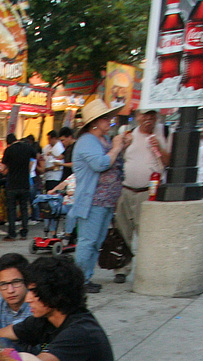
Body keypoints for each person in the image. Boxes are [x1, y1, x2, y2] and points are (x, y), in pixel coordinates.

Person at [72, 98, 128, 293]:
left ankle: (86, 277)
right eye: (106, 118)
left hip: (105, 201)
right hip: (93, 200)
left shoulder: (101, 140)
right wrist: (117, 147)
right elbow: (101, 164)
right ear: (94, 121)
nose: (109, 122)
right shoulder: (87, 141)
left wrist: (119, 147)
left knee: (96, 242)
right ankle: (79, 280)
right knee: (88, 241)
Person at [113, 108, 170, 284]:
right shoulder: (127, 133)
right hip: (126, 189)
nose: (148, 119)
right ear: (137, 117)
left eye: (152, 115)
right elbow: (116, 158)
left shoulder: (166, 132)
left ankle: (149, 268)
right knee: (122, 231)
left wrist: (158, 146)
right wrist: (123, 145)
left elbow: (169, 161)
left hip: (149, 192)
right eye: (144, 115)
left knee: (147, 233)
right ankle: (121, 268)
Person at [0, 253, 31, 350]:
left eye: (16, 282)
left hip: (36, 360)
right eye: (3, 284)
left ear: (27, 281)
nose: (10, 290)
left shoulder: (36, 305)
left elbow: (23, 327)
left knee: (3, 342)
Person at [0, 133, 36, 241]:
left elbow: (2, 168)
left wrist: (7, 170)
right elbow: (35, 158)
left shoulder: (9, 150)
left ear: (8, 142)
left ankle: (12, 234)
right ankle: (24, 233)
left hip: (12, 184)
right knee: (24, 208)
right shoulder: (28, 147)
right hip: (25, 183)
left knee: (11, 209)